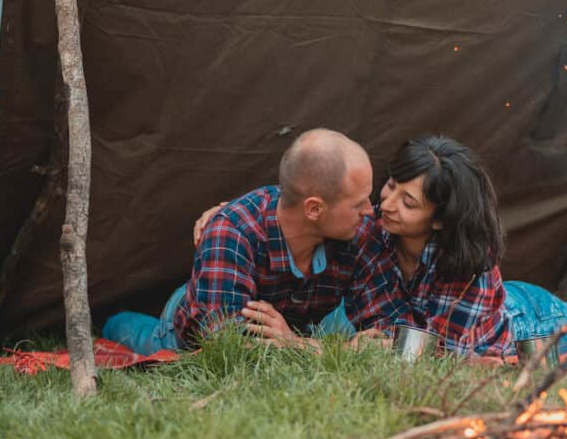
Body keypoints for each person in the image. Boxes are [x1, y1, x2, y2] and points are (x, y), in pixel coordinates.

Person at [197, 135, 567, 359]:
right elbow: (308, 198)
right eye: (391, 187)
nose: (386, 205)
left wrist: (304, 346)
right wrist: (225, 214)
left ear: (441, 221)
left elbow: (419, 354)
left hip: (514, 330)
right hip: (507, 305)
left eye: (409, 201)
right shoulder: (373, 227)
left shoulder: (466, 268)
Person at [102, 128, 410, 353]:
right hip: (195, 321)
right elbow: (227, 346)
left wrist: (297, 344)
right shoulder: (232, 231)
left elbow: (391, 332)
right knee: (135, 334)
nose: (372, 211)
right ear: (314, 209)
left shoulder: (358, 230)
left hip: (294, 324)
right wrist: (327, 349)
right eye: (358, 204)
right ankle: (114, 318)